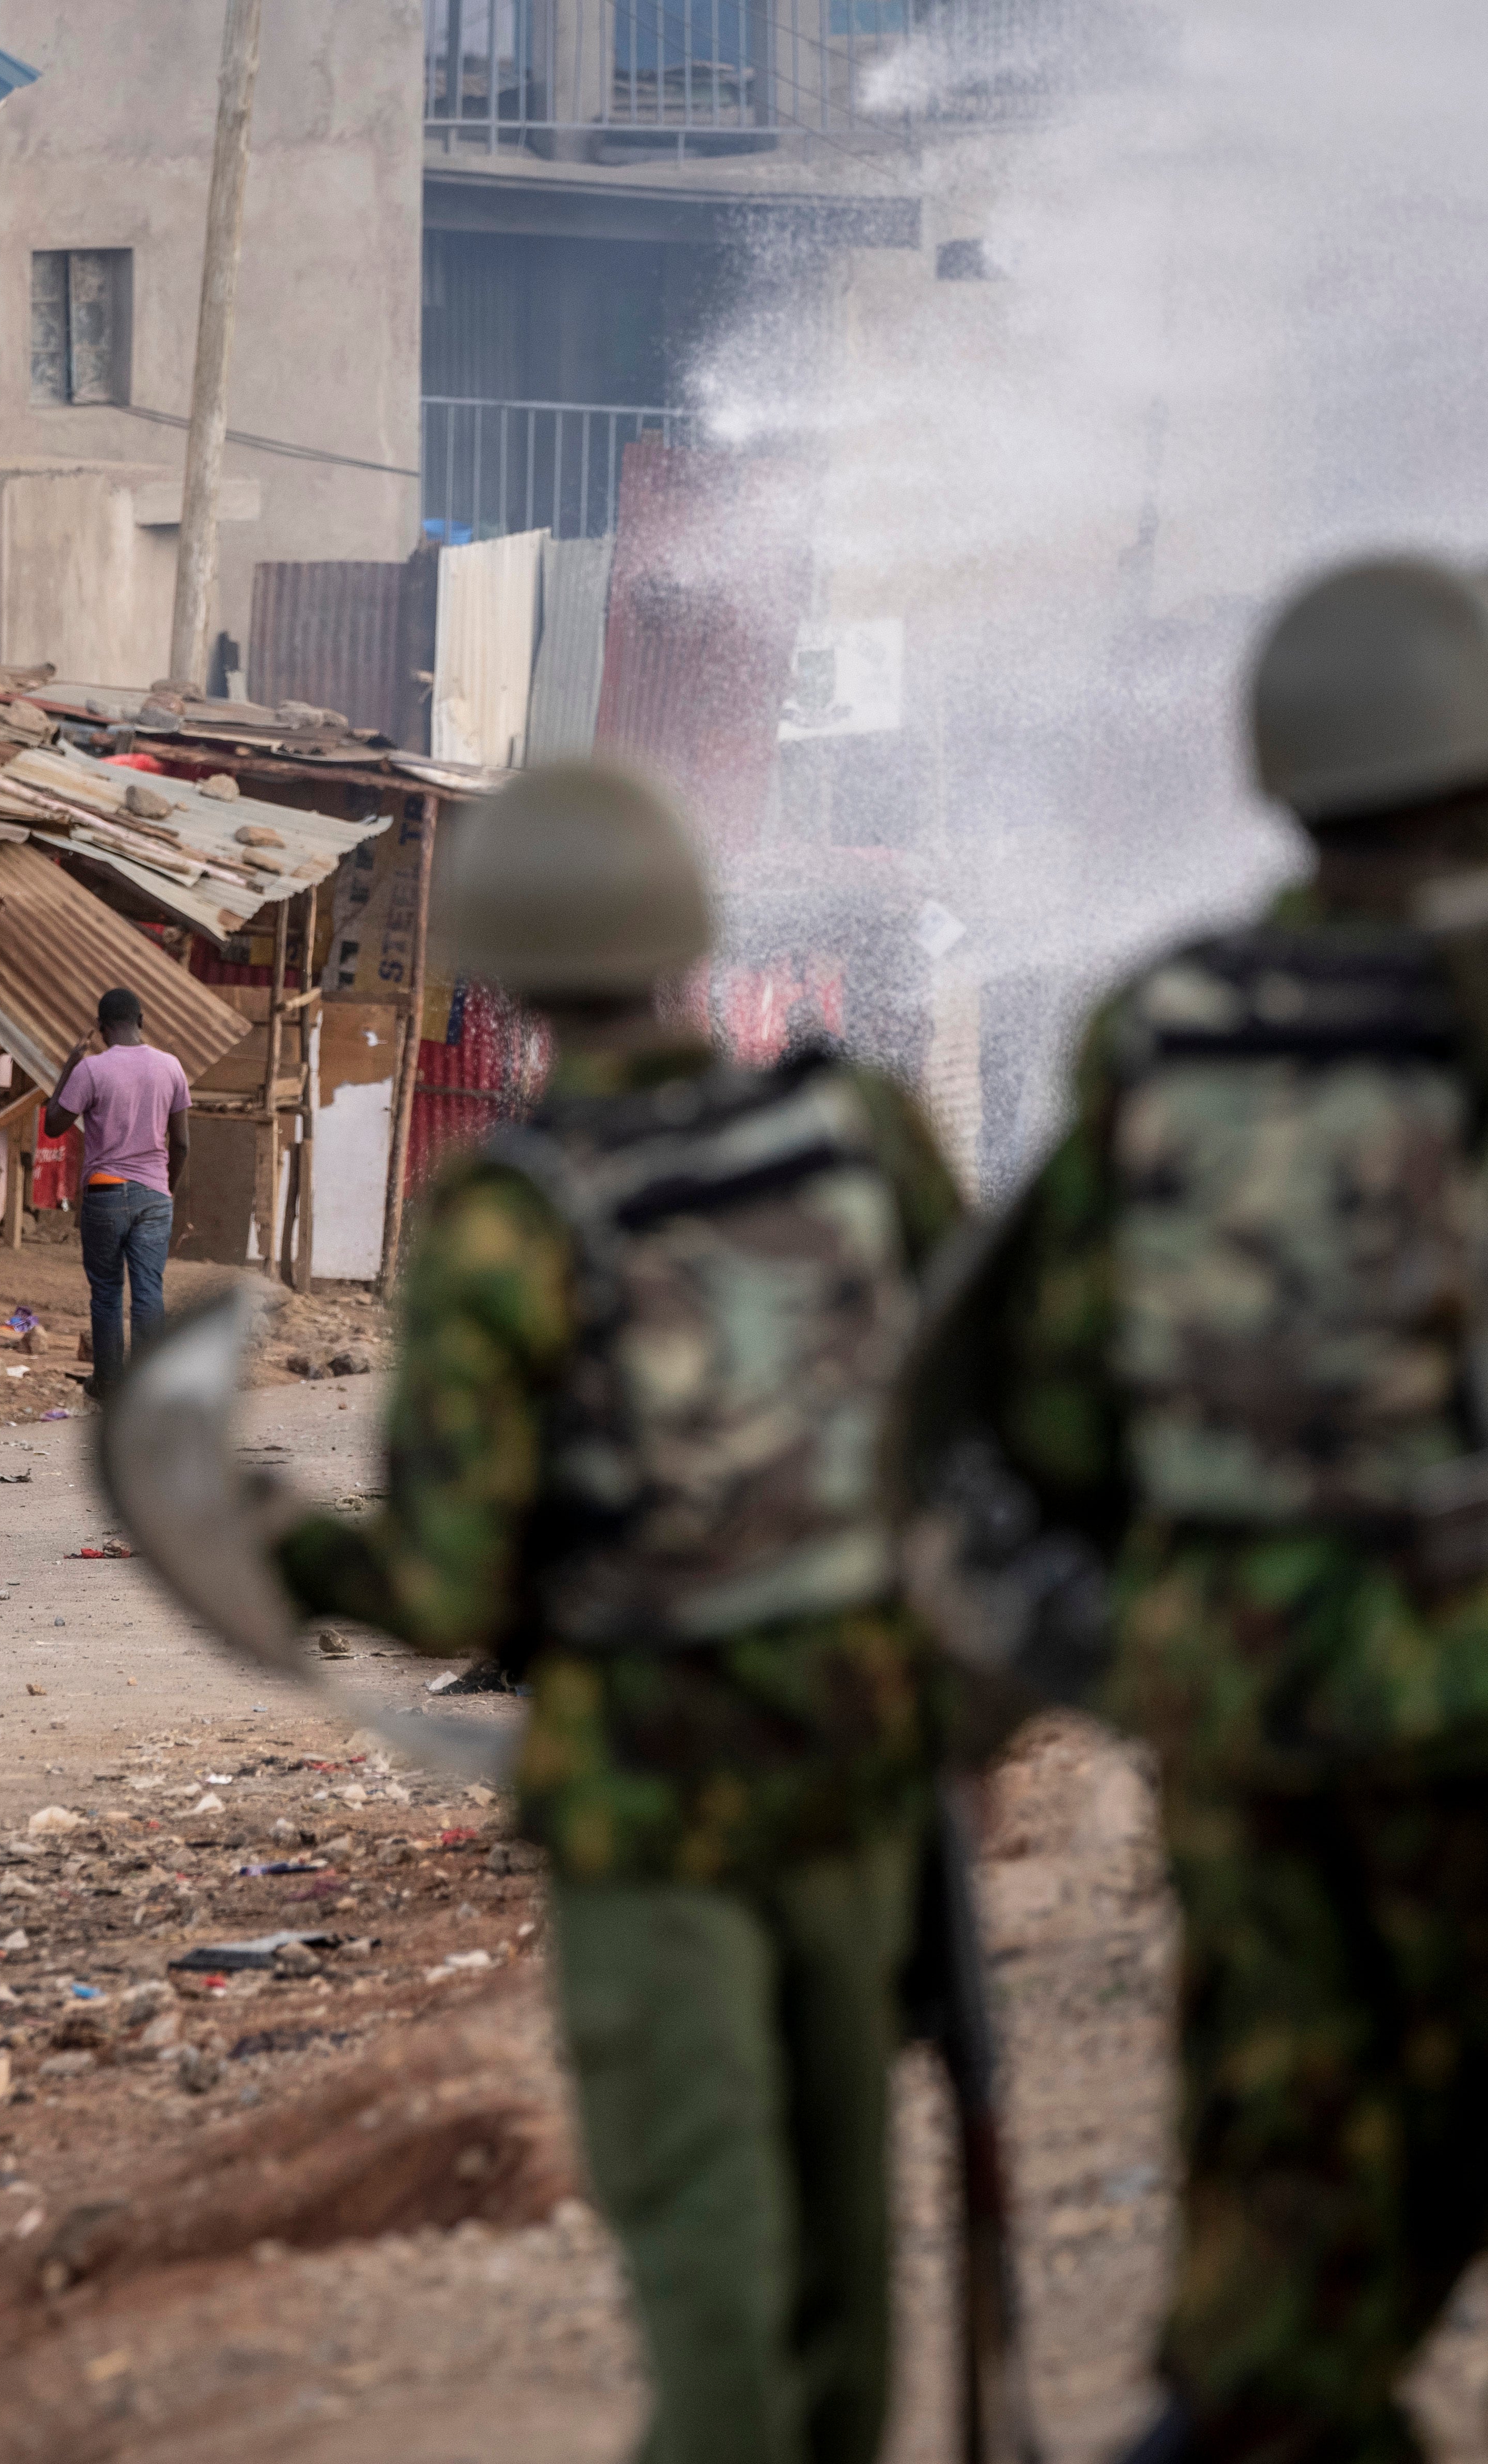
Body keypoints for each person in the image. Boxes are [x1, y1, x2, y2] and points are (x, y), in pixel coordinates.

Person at [266, 763, 958, 2464]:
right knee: (837, 2191)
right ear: (688, 939)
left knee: (700, 2207)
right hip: (861, 1749)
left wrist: (275, 1549)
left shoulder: (510, 1211)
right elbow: (982, 1418)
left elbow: (445, 1582)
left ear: (504, 978)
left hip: (649, 1785)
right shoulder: (856, 1132)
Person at [924, 558, 1488, 2464]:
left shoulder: (1171, 1020)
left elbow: (1053, 1389)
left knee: (1288, 2135)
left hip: (1240, 1696)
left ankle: (1260, 2404)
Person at [41, 986, 189, 1394]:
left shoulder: (91, 1070)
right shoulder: (172, 1067)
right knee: (148, 1291)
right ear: (142, 1022)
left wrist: (70, 1066)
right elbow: (182, 1144)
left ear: (103, 1029)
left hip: (105, 1193)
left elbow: (53, 1124)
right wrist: (166, 1191)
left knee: (107, 1292)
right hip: (155, 1194)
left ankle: (107, 1383)